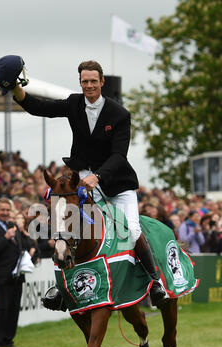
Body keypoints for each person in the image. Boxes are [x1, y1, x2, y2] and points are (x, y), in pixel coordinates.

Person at [9, 58, 166, 305]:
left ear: (102, 82)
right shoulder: (73, 103)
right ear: (80, 82)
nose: (89, 85)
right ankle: (61, 289)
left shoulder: (120, 114)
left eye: (94, 81)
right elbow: (41, 108)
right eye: (85, 81)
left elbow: (119, 155)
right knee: (69, 228)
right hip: (83, 179)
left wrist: (98, 176)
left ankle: (154, 281)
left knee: (132, 230)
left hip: (116, 183)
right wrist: (16, 89)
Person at [0, 197, 35, 347]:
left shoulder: (13, 225)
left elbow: (22, 246)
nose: (5, 213)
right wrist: (5, 238)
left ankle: (7, 339)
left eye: (7, 210)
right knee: (0, 308)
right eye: (2, 210)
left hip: (17, 275)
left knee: (13, 308)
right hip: (0, 274)